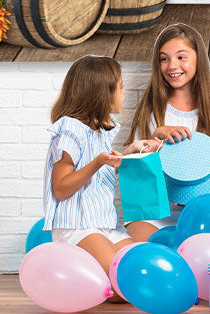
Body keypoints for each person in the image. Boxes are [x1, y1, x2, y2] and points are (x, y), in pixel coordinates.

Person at [43, 55, 161, 297]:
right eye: (121, 86)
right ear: (101, 92)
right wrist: (98, 162)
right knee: (122, 288)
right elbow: (61, 189)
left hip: (106, 224)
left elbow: (99, 174)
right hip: (78, 226)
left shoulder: (100, 131)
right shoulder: (71, 129)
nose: (124, 92)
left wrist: (129, 153)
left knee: (142, 273)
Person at [125, 23, 210, 240]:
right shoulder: (152, 107)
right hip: (154, 211)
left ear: (198, 59)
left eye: (181, 57)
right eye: (164, 58)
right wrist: (154, 142)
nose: (171, 66)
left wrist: (195, 201)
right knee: (143, 251)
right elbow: (137, 175)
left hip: (201, 209)